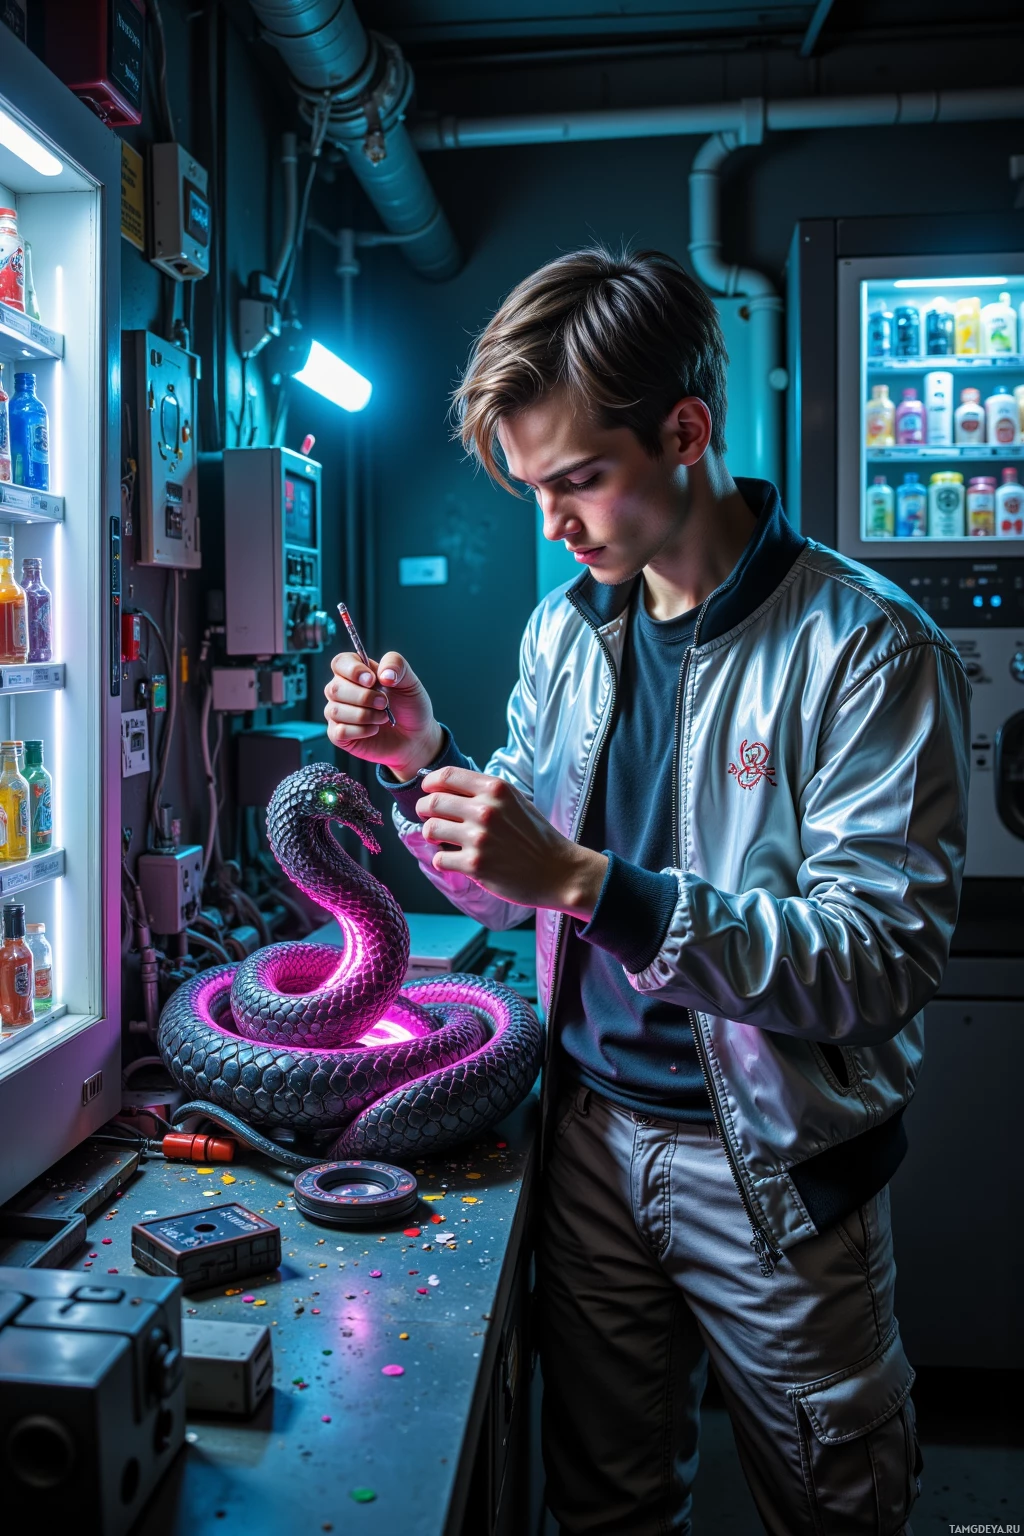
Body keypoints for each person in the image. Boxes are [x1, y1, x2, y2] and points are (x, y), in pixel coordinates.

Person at [323, 247, 970, 1536]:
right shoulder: (567, 628)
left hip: (780, 1179)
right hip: (589, 1153)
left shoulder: (866, 646)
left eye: (578, 481)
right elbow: (518, 893)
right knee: (608, 1508)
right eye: (530, 489)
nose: (553, 525)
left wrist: (584, 882)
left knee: (833, 1508)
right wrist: (429, 764)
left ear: (687, 430)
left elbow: (878, 959)